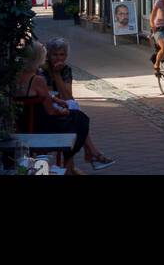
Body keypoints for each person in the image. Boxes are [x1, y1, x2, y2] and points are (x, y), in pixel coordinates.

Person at [13, 39, 90, 175]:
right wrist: (65, 112)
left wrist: (55, 99)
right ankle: (68, 164)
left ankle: (75, 161)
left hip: (23, 121)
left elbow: (44, 97)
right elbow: (51, 111)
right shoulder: (37, 79)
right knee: (80, 119)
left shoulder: (18, 76)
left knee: (76, 115)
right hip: (40, 125)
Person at [44, 37, 114, 170]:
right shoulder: (43, 70)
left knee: (74, 112)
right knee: (77, 117)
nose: (58, 58)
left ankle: (82, 160)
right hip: (47, 112)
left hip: (61, 109)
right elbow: (48, 97)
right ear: (48, 55)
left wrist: (57, 75)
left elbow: (67, 97)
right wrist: (54, 75)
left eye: (62, 54)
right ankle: (91, 154)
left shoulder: (65, 69)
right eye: (54, 54)